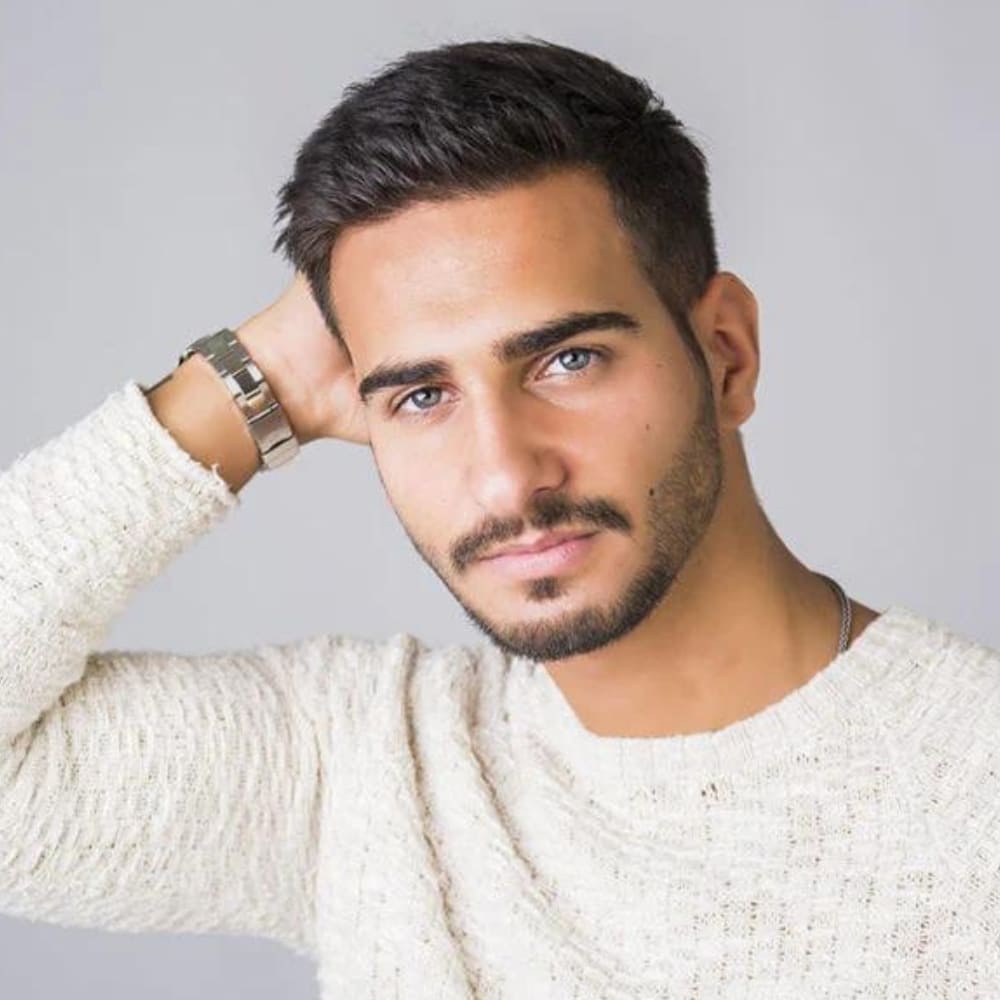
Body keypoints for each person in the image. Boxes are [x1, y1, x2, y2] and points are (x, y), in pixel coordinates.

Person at [2, 34, 998, 999]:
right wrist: (258, 377)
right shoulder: (371, 775)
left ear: (726, 352)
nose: (504, 480)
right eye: (421, 397)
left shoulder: (971, 783)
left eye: (567, 360)